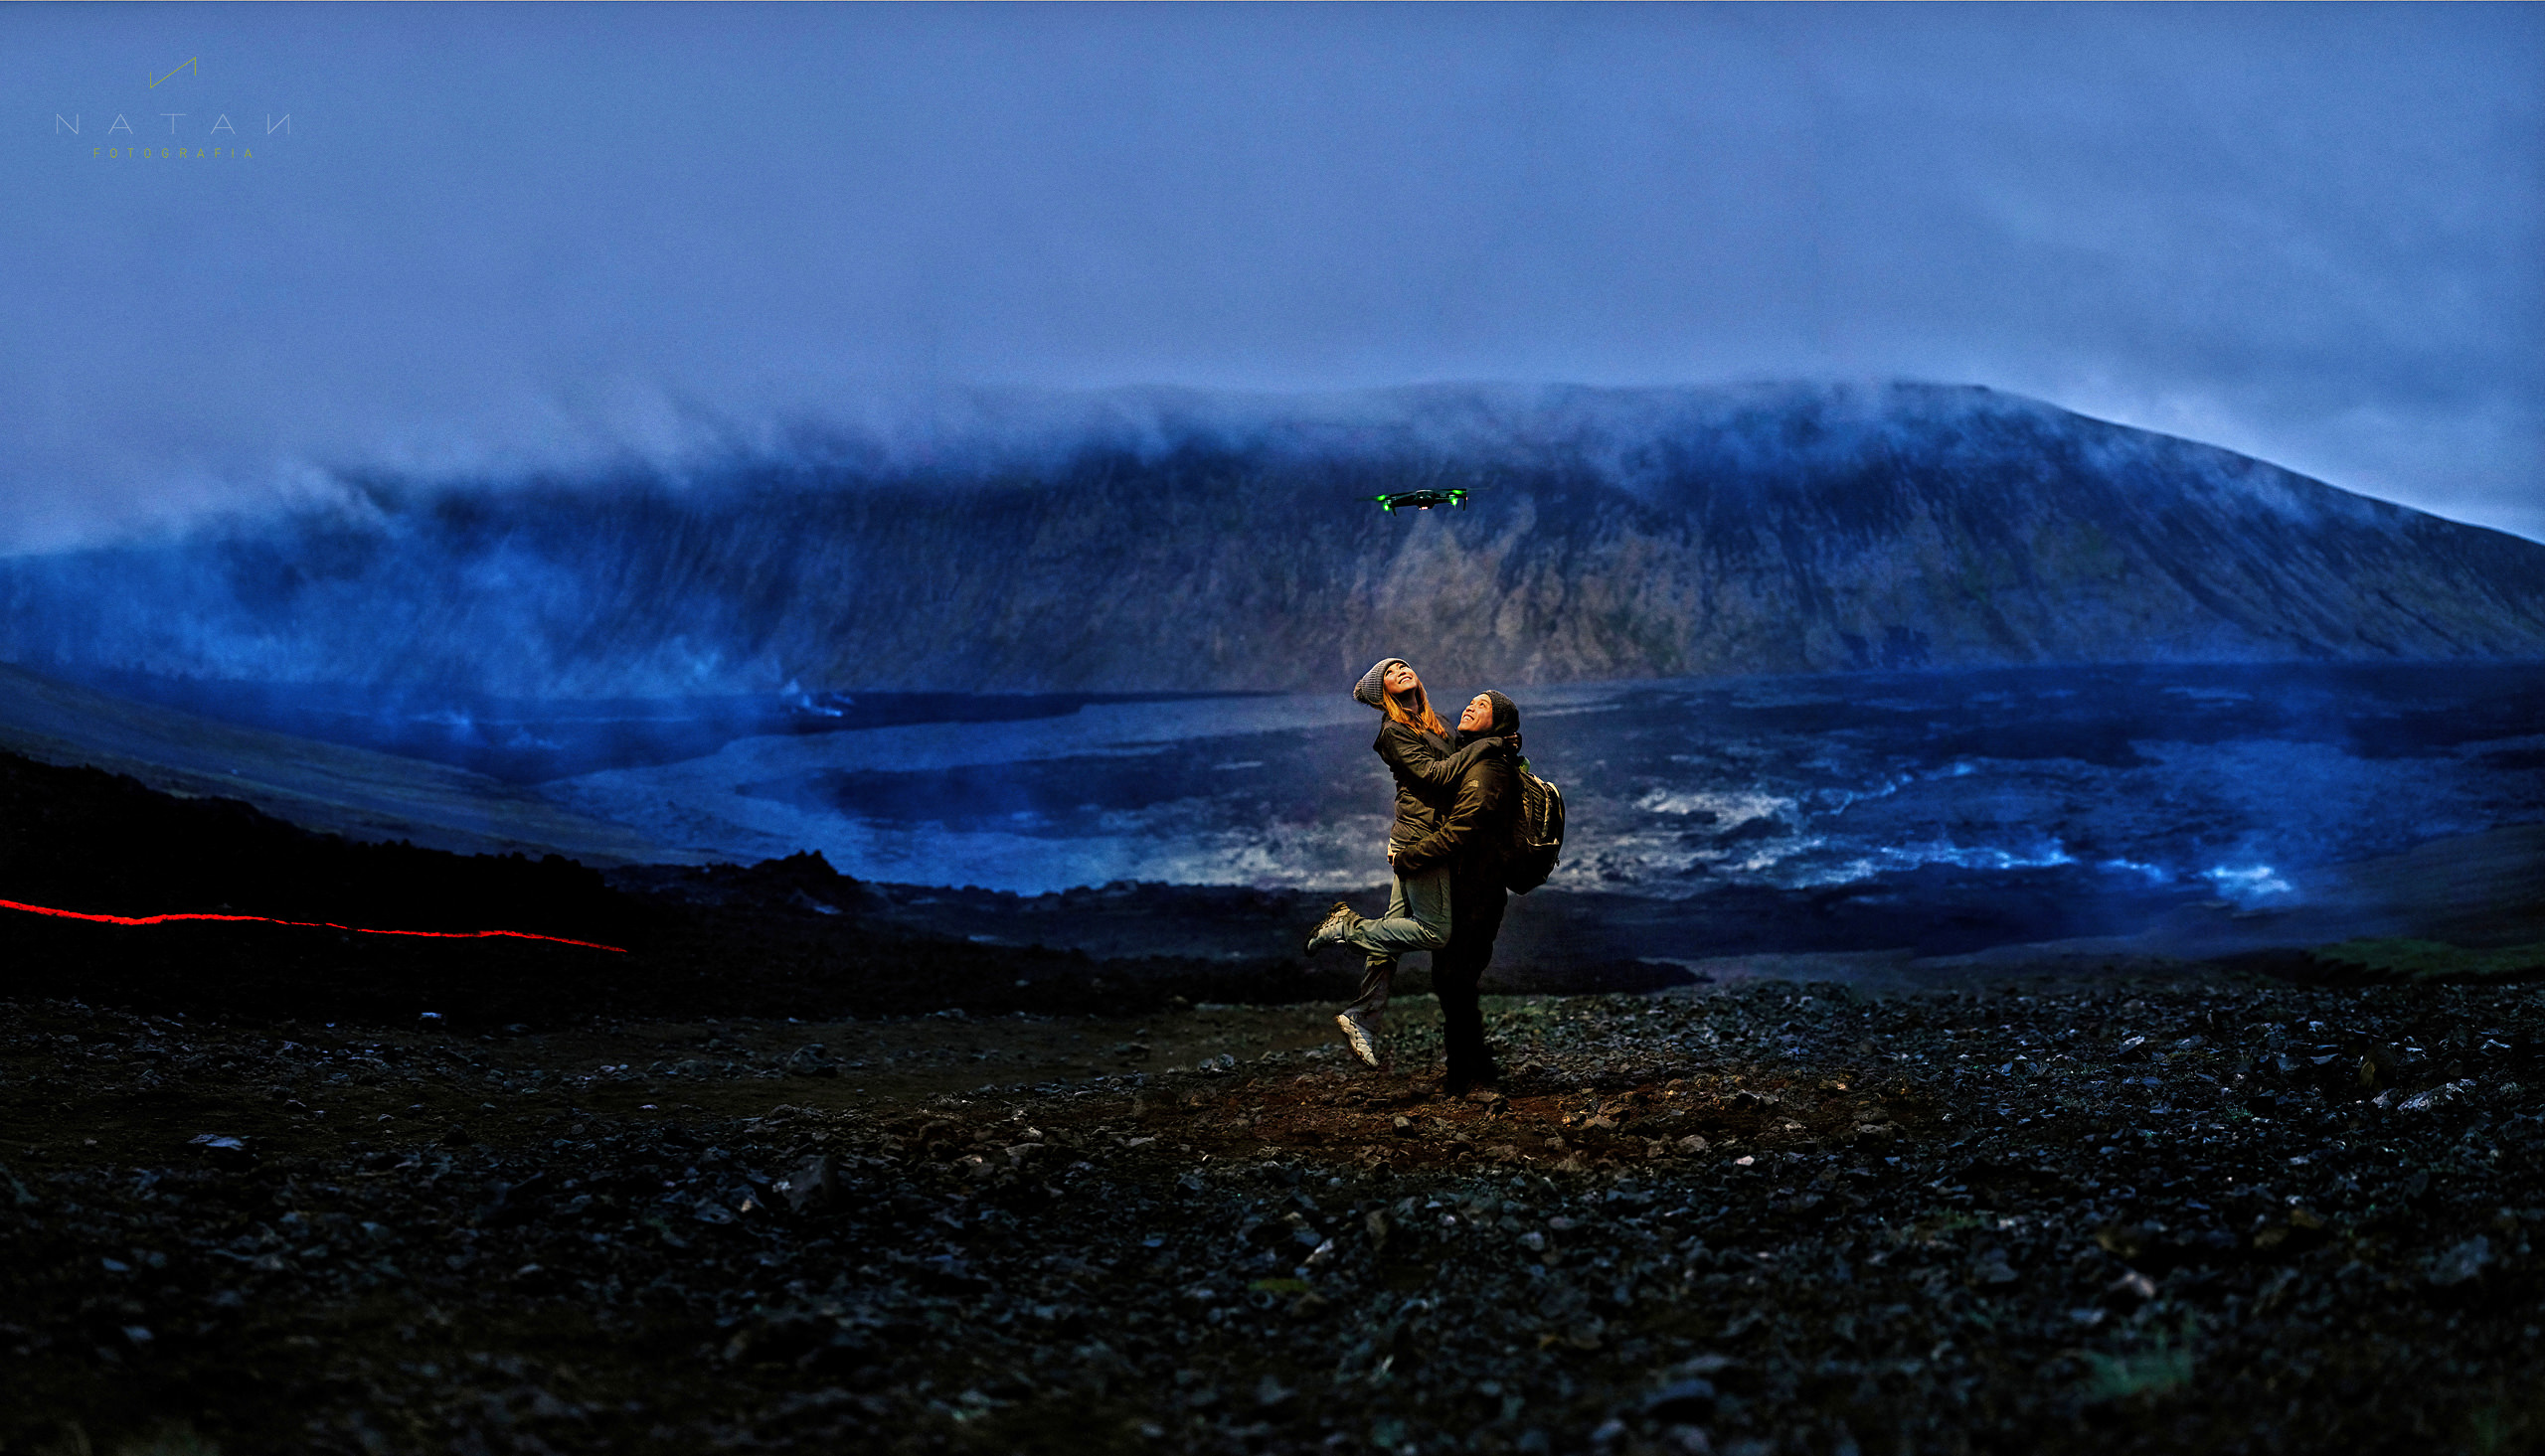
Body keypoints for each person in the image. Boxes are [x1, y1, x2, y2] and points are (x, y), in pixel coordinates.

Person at [1302, 659, 1506, 1069]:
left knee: (1391, 937)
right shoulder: (1393, 733)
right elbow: (1434, 775)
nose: (1400, 670)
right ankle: (1345, 926)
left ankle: (1362, 1016)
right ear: (1384, 693)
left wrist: (1493, 743)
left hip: (1419, 835)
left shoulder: (1438, 721)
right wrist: (1490, 745)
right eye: (1390, 673)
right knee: (1433, 931)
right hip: (1418, 840)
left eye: (1402, 665)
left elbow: (1464, 760)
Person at [1392, 690, 1522, 1095]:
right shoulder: (1473, 757)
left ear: (1498, 723)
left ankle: (1473, 1077)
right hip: (1462, 886)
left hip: (1479, 892)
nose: (1471, 706)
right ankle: (1466, 1072)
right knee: (1452, 981)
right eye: (1473, 701)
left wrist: (1412, 857)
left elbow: (1460, 833)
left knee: (1455, 979)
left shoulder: (1487, 772)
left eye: (1483, 706)